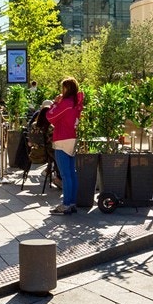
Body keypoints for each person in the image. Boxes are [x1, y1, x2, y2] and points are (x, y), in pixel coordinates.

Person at [47, 78, 85, 215]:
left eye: (62, 88)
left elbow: (50, 117)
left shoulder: (66, 103)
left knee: (65, 174)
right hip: (72, 137)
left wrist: (54, 104)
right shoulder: (76, 103)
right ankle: (72, 202)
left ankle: (66, 204)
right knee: (72, 173)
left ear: (66, 89)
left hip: (62, 138)